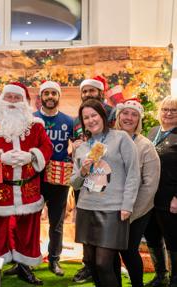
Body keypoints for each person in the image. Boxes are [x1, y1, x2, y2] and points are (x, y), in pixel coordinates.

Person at [0, 82, 53, 285]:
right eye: (8, 97)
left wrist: (31, 156)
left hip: (28, 185)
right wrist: (0, 156)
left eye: (16, 98)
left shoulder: (35, 125)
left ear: (24, 101)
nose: (11, 102)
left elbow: (46, 147)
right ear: (2, 99)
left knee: (27, 228)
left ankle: (23, 266)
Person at [71, 99, 140, 287]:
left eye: (94, 115)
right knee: (92, 263)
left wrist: (127, 205)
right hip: (86, 208)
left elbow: (133, 173)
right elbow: (75, 183)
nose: (91, 120)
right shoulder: (82, 148)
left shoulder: (121, 138)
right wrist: (83, 171)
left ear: (102, 115)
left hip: (112, 209)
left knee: (103, 263)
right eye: (86, 117)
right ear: (82, 122)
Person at [72, 76, 116, 283]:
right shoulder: (77, 118)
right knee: (87, 231)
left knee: (106, 238)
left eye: (92, 90)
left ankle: (107, 266)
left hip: (107, 183)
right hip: (85, 181)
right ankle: (88, 265)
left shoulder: (112, 113)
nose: (88, 94)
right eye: (85, 91)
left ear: (101, 92)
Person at [115, 99, 160, 287]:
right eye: (125, 113)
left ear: (139, 120)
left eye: (134, 114)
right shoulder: (109, 139)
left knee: (128, 250)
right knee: (109, 251)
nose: (129, 117)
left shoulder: (145, 146)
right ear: (118, 116)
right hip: (111, 207)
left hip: (138, 209)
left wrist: (131, 212)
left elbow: (150, 184)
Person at [33, 80, 73, 276]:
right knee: (30, 221)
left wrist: (72, 159)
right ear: (41, 96)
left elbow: (80, 144)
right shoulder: (31, 119)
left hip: (58, 179)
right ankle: (25, 260)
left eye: (53, 93)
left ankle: (54, 260)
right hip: (34, 178)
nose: (50, 97)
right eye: (46, 93)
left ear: (58, 96)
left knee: (56, 223)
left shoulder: (68, 121)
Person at [144, 96, 177, 287]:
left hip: (170, 196)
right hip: (149, 196)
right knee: (152, 235)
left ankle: (175, 279)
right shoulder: (152, 131)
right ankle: (161, 276)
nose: (169, 113)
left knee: (173, 238)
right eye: (165, 109)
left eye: (174, 110)